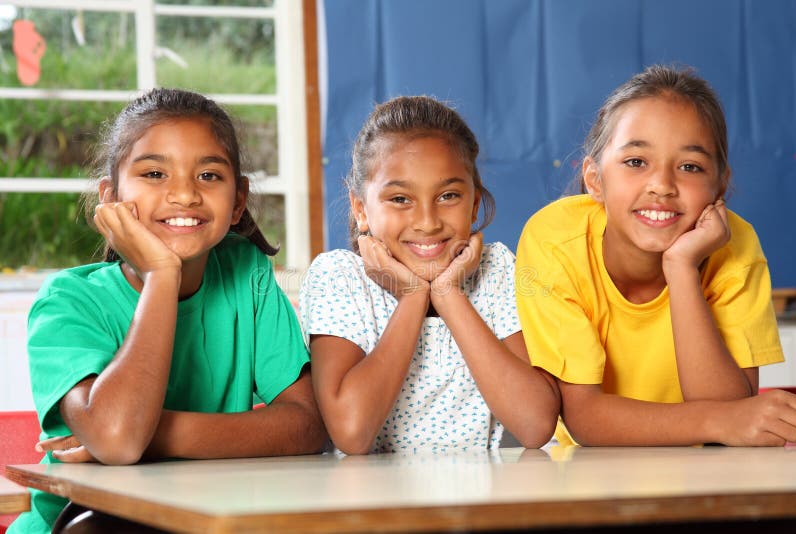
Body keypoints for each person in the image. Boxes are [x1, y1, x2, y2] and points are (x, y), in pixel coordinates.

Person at [11, 88, 327, 533]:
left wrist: (154, 434)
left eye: (210, 176)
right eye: (155, 172)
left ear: (238, 201)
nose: (183, 194)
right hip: (83, 525)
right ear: (110, 198)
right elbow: (119, 439)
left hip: (205, 520)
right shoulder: (68, 301)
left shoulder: (246, 273)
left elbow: (310, 425)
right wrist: (162, 274)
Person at [515, 65, 796, 446]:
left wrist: (681, 268)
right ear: (595, 180)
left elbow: (734, 409)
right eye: (636, 162)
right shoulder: (554, 240)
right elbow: (584, 416)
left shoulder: (737, 247)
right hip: (586, 470)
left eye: (690, 167)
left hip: (706, 470)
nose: (662, 185)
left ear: (721, 186)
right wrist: (721, 420)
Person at [299, 95, 560, 455]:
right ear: (361, 209)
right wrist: (412, 296)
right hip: (369, 503)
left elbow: (535, 426)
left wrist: (449, 294)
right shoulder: (339, 278)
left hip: (478, 502)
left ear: (474, 205)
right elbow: (351, 431)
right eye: (400, 200)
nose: (427, 222)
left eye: (448, 195)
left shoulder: (496, 270)